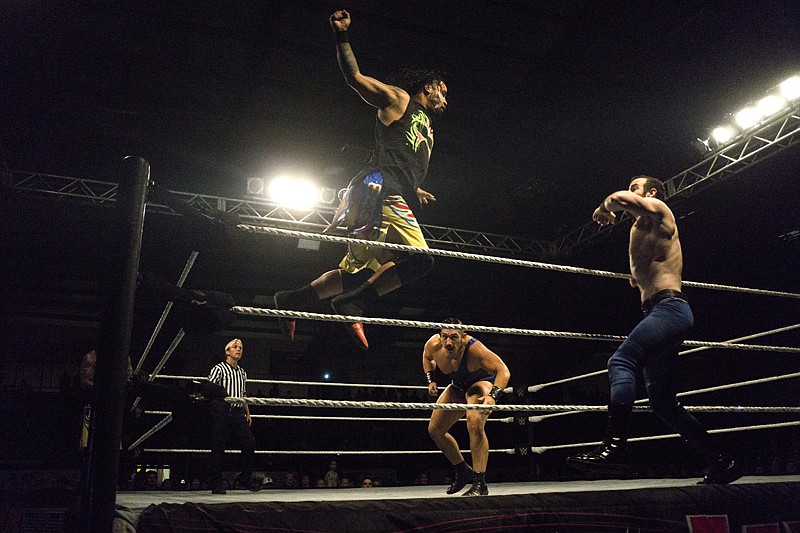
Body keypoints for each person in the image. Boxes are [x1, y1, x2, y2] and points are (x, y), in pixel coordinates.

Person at [273, 9, 447, 350]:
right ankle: (354, 304)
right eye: (443, 89)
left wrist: (416, 187)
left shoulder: (427, 126)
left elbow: (400, 159)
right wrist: (342, 35)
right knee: (419, 258)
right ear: (429, 86)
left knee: (355, 272)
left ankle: (292, 298)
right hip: (380, 190)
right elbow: (355, 77)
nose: (446, 97)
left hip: (377, 189)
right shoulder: (400, 100)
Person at [566, 176, 740, 484]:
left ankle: (614, 447)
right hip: (657, 310)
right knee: (661, 401)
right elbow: (641, 275)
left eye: (636, 187)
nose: (631, 191)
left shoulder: (659, 210)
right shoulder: (640, 230)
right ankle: (722, 461)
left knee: (620, 361)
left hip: (670, 309)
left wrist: (606, 206)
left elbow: (621, 199)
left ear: (651, 192)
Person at [423, 320, 511, 496]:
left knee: (474, 421)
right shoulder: (433, 345)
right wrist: (431, 379)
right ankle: (462, 469)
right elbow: (427, 357)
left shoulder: (475, 349)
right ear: (440, 337)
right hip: (457, 385)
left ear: (462, 338)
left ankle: (480, 483)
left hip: (480, 383)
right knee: (435, 429)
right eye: (445, 337)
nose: (448, 343)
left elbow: (503, 370)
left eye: (454, 337)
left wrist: (493, 397)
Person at [207, 338, 258, 494]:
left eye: (241, 347)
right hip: (223, 412)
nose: (238, 349)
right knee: (218, 448)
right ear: (227, 351)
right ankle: (216, 482)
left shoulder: (242, 373)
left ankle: (245, 478)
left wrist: (247, 413)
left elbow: (243, 394)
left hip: (238, 414)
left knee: (249, 444)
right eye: (235, 347)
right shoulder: (219, 369)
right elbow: (209, 388)